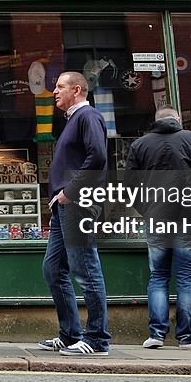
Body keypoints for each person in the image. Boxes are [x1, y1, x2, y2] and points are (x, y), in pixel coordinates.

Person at [124, 104, 191, 350]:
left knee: (158, 276)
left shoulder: (140, 145)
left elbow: (129, 187)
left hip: (156, 217)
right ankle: (187, 338)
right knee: (186, 277)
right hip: (186, 215)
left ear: (156, 121)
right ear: (177, 119)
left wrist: (146, 210)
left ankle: (156, 335)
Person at [37, 71, 111, 357]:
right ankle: (70, 335)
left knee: (86, 269)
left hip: (77, 202)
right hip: (64, 205)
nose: (54, 92)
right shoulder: (72, 120)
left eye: (60, 87)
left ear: (77, 90)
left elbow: (99, 157)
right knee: (53, 269)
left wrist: (69, 191)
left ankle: (97, 340)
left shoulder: (87, 116)